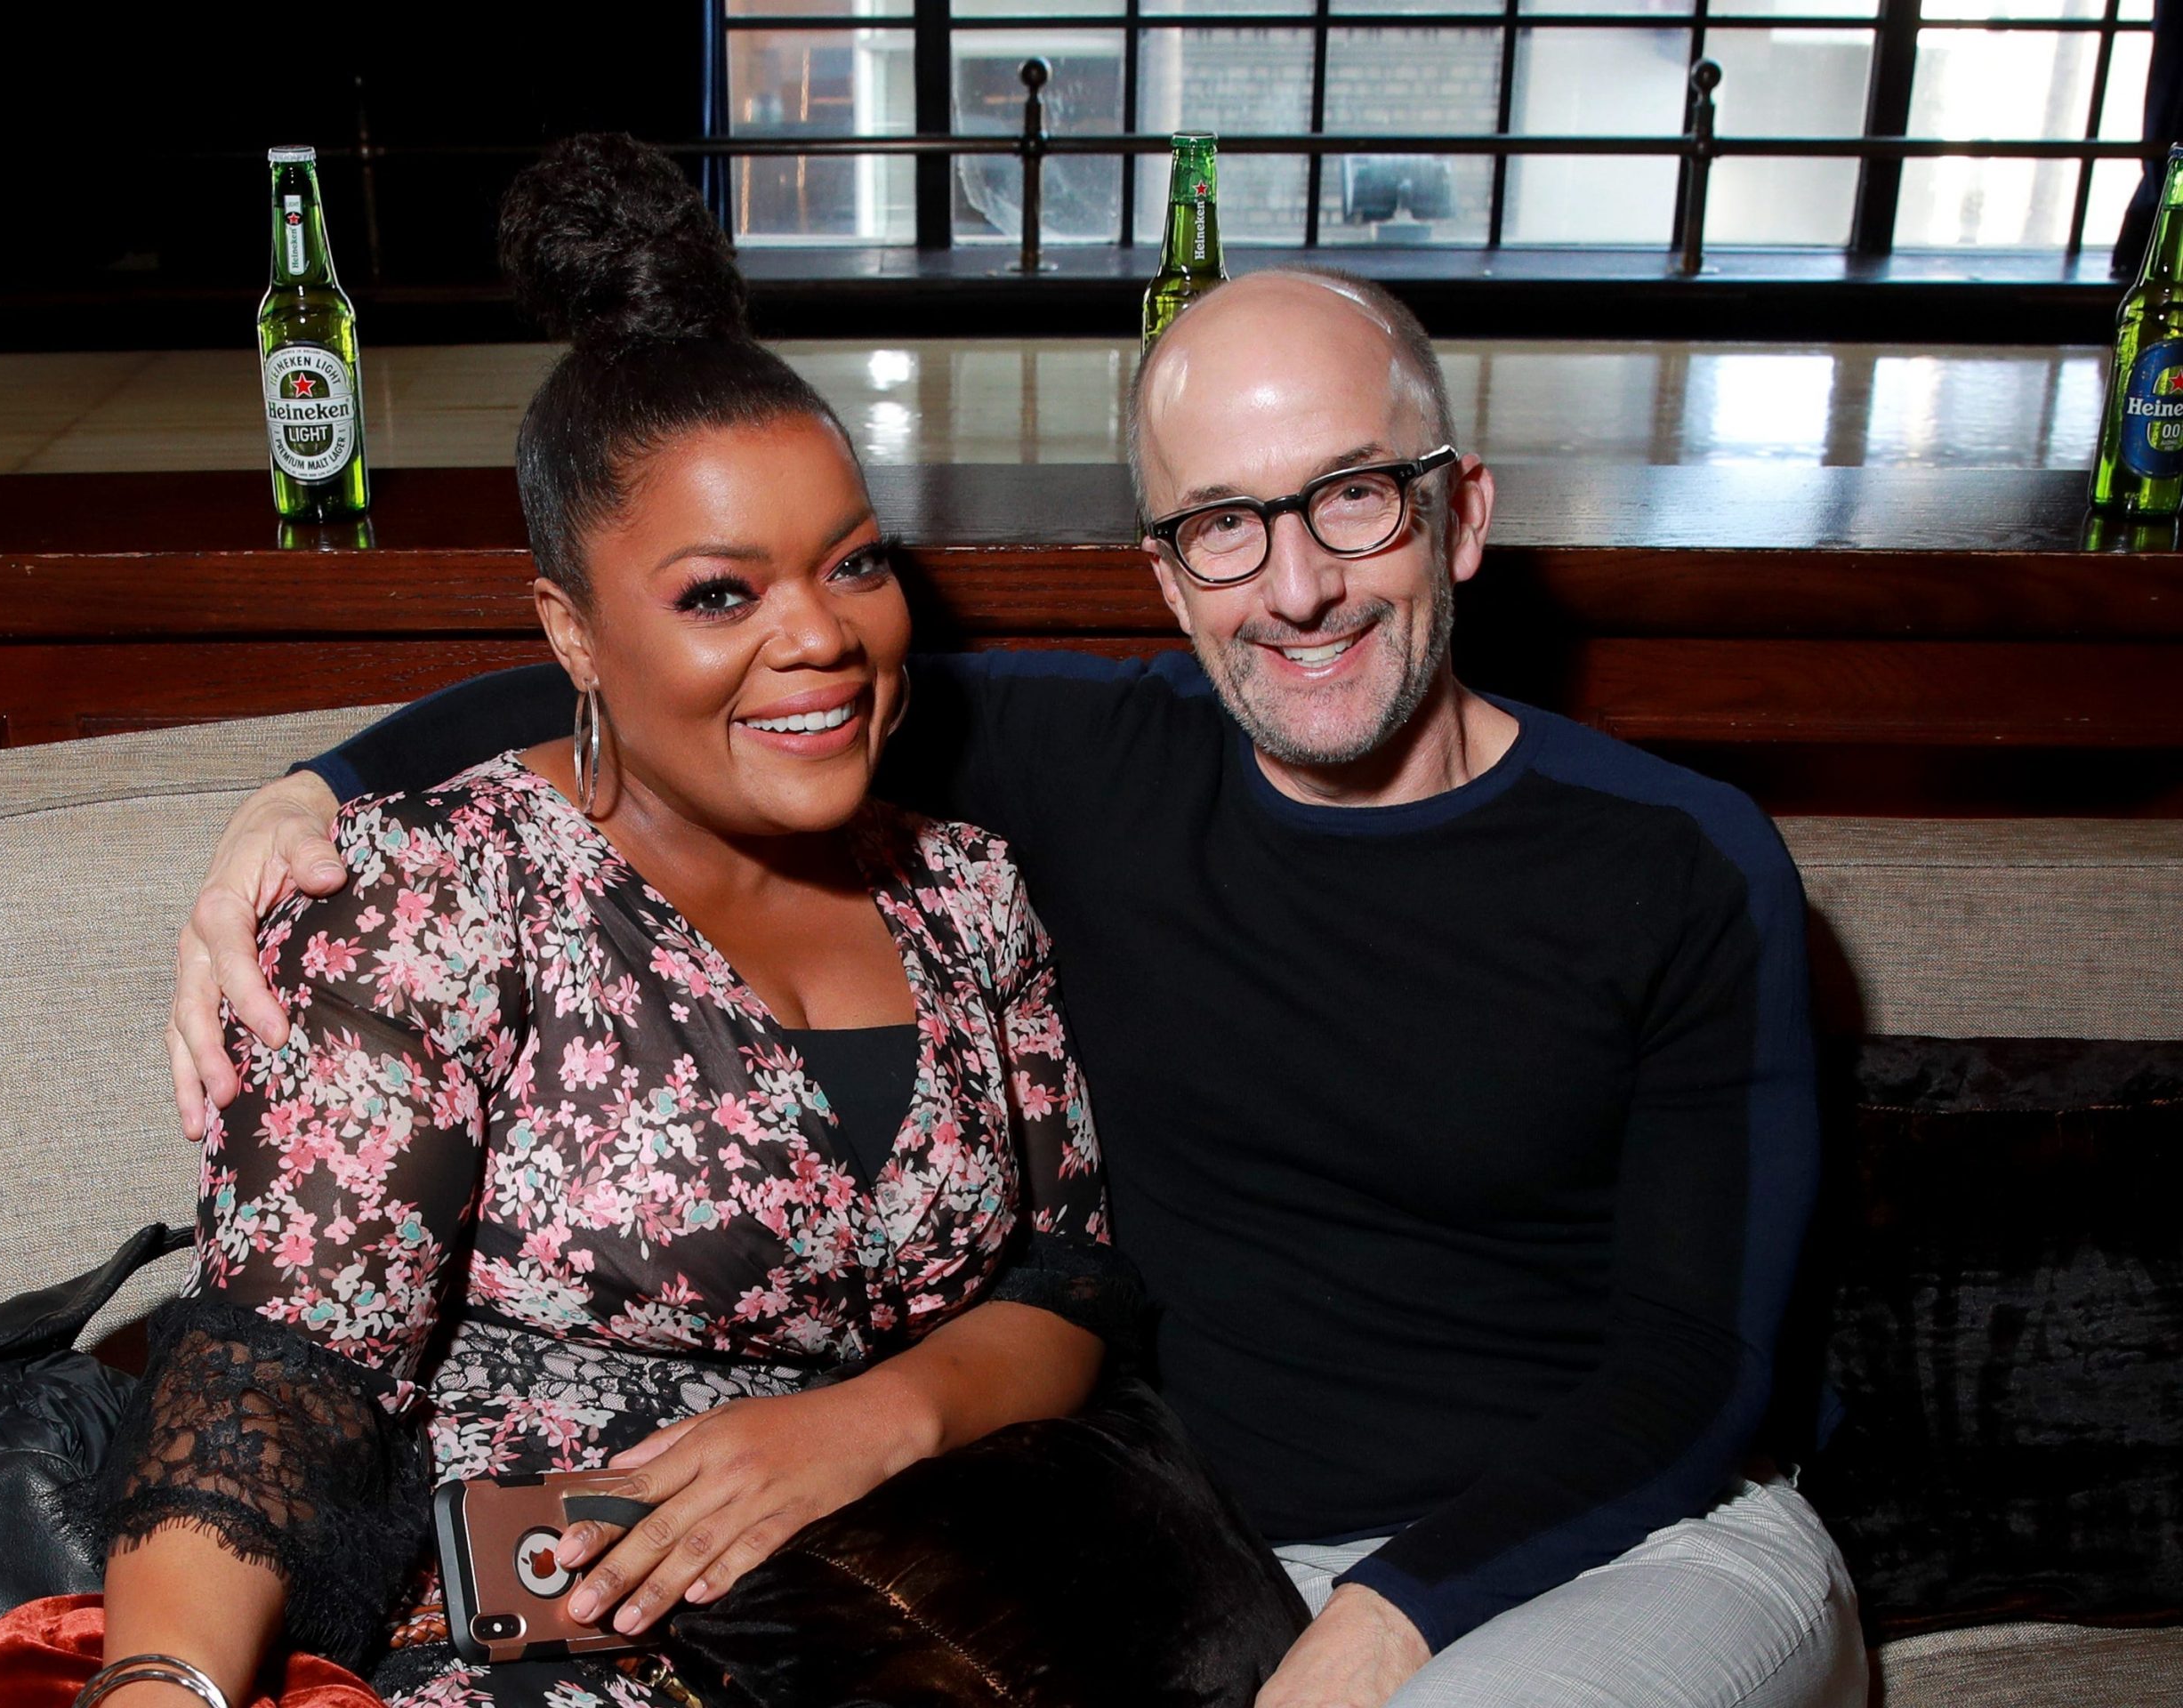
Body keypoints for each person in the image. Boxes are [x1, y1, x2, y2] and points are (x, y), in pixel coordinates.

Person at [174, 270, 1868, 1705]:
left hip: (1632, 1543)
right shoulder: (1101, 763)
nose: (1296, 586)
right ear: (1164, 570)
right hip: (1199, 1559)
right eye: (1223, 525)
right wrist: (309, 796)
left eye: (1357, 496)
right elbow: (680, 676)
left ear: (1463, 510)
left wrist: (1381, 1624)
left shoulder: (1678, 858)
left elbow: (1693, 1373)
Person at [64, 135, 1127, 1708]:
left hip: (897, 1621)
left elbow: (1067, 1282)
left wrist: (868, 1417)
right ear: (569, 626)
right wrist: (164, 1681)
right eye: (720, 594)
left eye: (854, 565)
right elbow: (285, 1364)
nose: (821, 637)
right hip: (547, 1651)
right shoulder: (434, 895)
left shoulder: (968, 892)